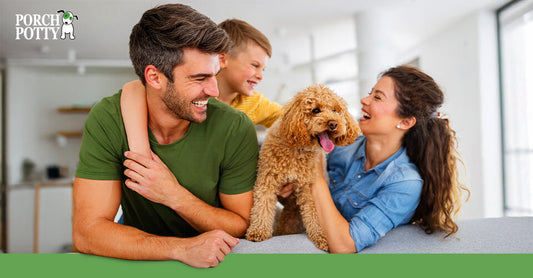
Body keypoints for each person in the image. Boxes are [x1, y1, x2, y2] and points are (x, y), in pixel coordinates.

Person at [72, 4, 259, 268]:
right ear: (154, 77)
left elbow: (241, 224)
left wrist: (173, 195)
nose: (215, 90)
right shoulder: (108, 119)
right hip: (139, 259)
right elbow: (87, 233)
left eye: (215, 75)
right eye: (199, 78)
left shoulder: (233, 126)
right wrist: (181, 249)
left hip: (219, 262)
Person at [307, 65, 469, 253]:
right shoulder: (344, 146)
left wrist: (314, 173)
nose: (364, 100)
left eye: (377, 97)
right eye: (370, 93)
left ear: (405, 121)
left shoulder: (405, 183)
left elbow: (345, 244)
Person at [121, 18, 282, 158]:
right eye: (255, 65)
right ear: (222, 59)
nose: (260, 75)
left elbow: (294, 119)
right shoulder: (192, 96)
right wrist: (141, 151)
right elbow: (133, 89)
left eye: (263, 69)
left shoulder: (256, 104)